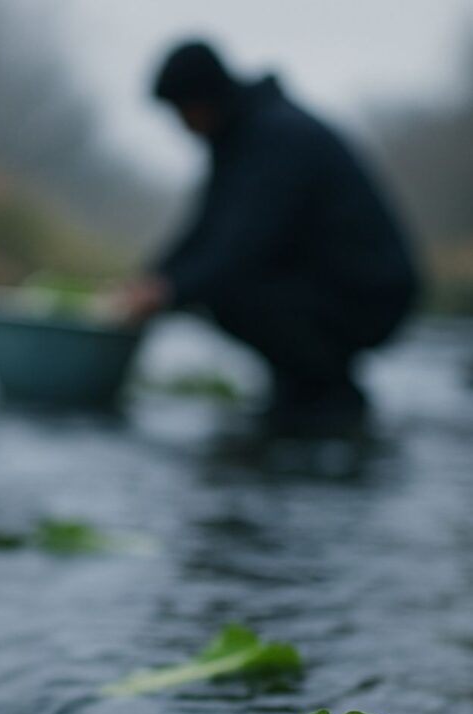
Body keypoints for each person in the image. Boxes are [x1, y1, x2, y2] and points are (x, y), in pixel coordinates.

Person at [119, 41, 420, 432]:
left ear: (201, 98)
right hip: (327, 286)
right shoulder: (239, 139)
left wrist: (169, 291)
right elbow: (206, 229)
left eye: (181, 111)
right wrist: (151, 279)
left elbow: (245, 246)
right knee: (225, 286)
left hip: (371, 293)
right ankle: (300, 391)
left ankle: (329, 393)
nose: (182, 124)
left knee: (230, 291)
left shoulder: (277, 137)